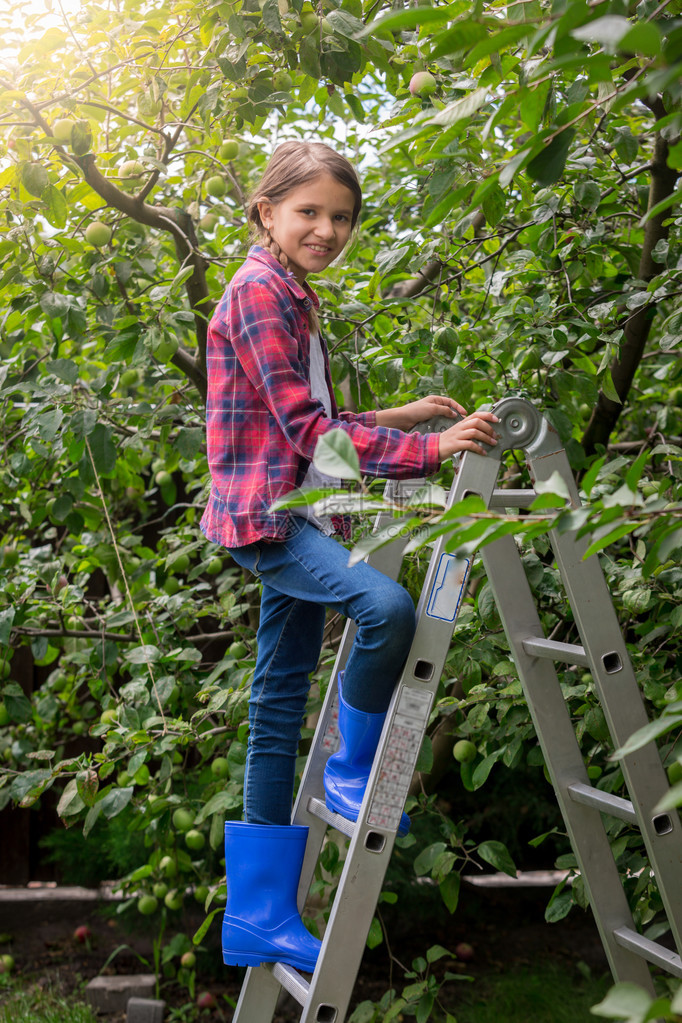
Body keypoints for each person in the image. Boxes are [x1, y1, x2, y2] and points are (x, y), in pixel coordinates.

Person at [200, 140, 499, 972]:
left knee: (276, 701)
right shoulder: (263, 292)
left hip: (289, 506)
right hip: (272, 517)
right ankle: (351, 769)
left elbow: (302, 408)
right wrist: (432, 449)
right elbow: (312, 436)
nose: (326, 229)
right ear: (267, 213)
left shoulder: (291, 294)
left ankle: (257, 913)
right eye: (309, 212)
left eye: (341, 217)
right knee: (386, 609)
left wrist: (398, 416)